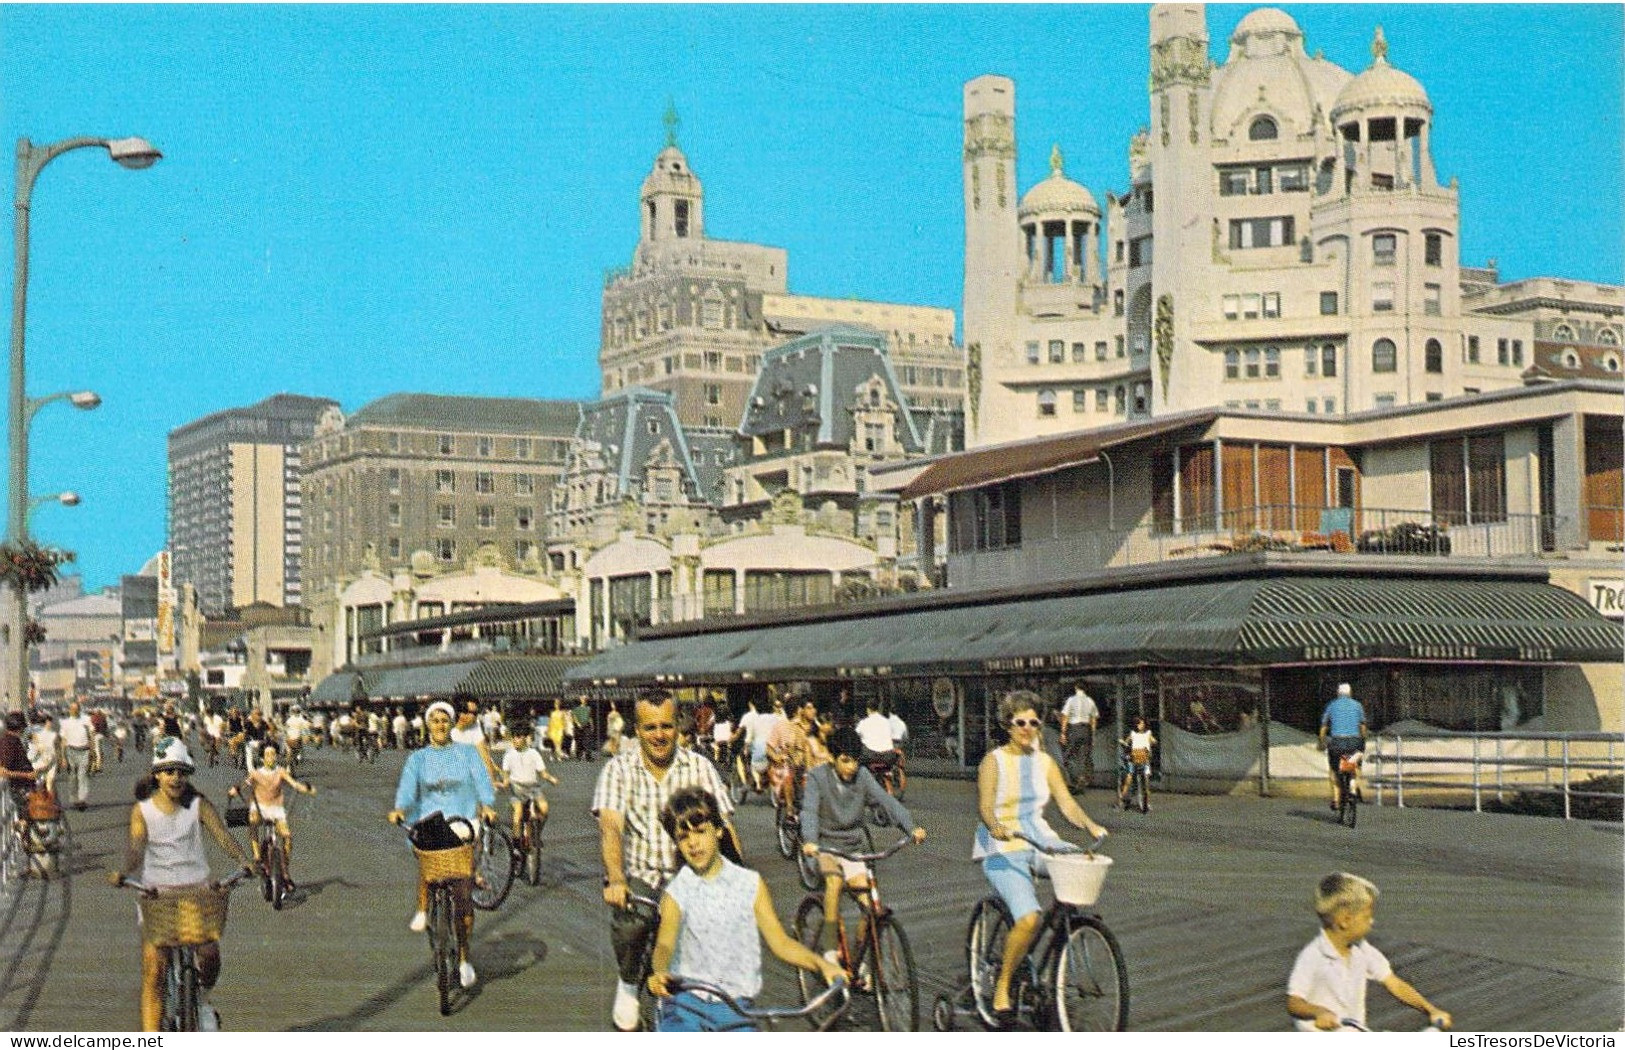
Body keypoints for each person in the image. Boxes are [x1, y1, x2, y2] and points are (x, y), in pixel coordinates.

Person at [593, 690, 740, 1032]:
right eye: (650, 727)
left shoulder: (699, 766)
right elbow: (611, 827)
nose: (659, 735)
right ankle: (629, 983)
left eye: (666, 726)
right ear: (637, 730)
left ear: (678, 727)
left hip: (691, 876)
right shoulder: (618, 769)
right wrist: (616, 878)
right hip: (643, 874)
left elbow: (725, 828)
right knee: (633, 921)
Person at [645, 786, 843, 1031]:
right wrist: (660, 972)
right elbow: (665, 944)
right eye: (683, 838)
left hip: (735, 1006)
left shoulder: (750, 883)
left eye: (700, 832)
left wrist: (821, 965)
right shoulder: (677, 890)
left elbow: (780, 942)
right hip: (686, 1004)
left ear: (718, 830)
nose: (693, 843)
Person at [975, 690, 1109, 1024]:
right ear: (1008, 724)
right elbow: (985, 807)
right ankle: (1004, 986)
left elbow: (1066, 803)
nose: (1027, 728)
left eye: (1034, 722)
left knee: (1080, 863)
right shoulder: (993, 761)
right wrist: (994, 826)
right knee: (1030, 918)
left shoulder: (1045, 762)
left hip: (1039, 836)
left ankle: (1061, 941)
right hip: (1003, 845)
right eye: (1020, 722)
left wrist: (1090, 825)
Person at [110, 738, 252, 1032]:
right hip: (156, 895)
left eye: (181, 772)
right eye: (168, 771)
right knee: (154, 971)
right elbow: (136, 848)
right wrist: (123, 871)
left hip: (197, 892)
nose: (175, 778)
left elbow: (222, 836)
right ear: (156, 775)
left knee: (210, 954)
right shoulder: (143, 810)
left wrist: (243, 859)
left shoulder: (198, 805)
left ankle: (201, 996)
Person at [387, 700, 497, 990]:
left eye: (444, 720)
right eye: (434, 720)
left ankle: (464, 958)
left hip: (462, 820)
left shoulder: (468, 754)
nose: (439, 725)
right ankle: (424, 907)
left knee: (462, 894)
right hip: (429, 819)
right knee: (426, 852)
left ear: (451, 724)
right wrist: (399, 808)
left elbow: (483, 782)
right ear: (427, 724)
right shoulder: (418, 758)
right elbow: (408, 788)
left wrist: (486, 806)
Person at [800, 727, 926, 958]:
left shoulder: (863, 776)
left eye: (855, 761)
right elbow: (808, 812)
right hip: (824, 848)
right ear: (832, 757)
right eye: (845, 761)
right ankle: (829, 949)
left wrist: (911, 827)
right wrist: (809, 841)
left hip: (854, 850)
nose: (851, 767)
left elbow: (887, 802)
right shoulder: (818, 778)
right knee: (834, 883)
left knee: (871, 907)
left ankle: (859, 959)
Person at [1286, 872, 1452, 1032]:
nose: (1371, 922)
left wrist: (1431, 1010)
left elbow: (1394, 983)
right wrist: (1319, 1012)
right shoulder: (1313, 955)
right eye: (1367, 916)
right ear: (1345, 920)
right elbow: (1294, 1001)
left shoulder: (1362, 950)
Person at [229, 743, 316, 888]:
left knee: (287, 836)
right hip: (260, 807)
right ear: (262, 758)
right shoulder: (256, 773)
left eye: (274, 754)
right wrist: (234, 790)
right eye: (268, 754)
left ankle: (285, 872)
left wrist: (306, 789)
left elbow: (294, 784)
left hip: (276, 809)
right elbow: (244, 784)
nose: (271, 757)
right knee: (253, 821)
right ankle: (257, 855)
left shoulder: (281, 771)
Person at [498, 726, 558, 842]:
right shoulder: (508, 755)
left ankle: (537, 833)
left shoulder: (534, 754)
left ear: (526, 738)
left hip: (533, 788)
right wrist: (505, 782)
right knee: (517, 815)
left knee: (544, 809)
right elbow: (505, 774)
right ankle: (515, 846)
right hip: (516, 788)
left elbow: (543, 773)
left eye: (518, 737)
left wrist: (551, 779)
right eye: (513, 737)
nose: (515, 740)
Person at [765, 686, 817, 812]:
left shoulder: (814, 726)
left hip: (808, 764)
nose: (812, 711)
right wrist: (778, 757)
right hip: (788, 766)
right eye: (807, 708)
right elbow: (769, 748)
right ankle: (789, 809)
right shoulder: (781, 726)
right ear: (799, 711)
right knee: (788, 773)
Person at [1319, 683, 1367, 811]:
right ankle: (1353, 789)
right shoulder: (1358, 705)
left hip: (1336, 743)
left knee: (1334, 771)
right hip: (1354, 743)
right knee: (1355, 767)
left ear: (1338, 693)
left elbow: (1324, 726)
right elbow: (1362, 726)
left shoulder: (1332, 705)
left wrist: (1321, 741)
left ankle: (1336, 800)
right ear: (1350, 693)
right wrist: (1363, 741)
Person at [1058, 683, 1100, 790]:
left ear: (1076, 688)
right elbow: (1094, 719)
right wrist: (1093, 735)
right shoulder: (1090, 701)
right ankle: (1082, 777)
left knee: (1068, 754)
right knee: (1084, 755)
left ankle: (1074, 779)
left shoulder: (1071, 700)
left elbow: (1065, 716)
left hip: (1074, 729)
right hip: (1086, 729)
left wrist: (1063, 733)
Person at [450, 695, 500, 782]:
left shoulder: (475, 725)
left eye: (477, 712)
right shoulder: (449, 731)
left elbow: (485, 757)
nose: (476, 716)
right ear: (461, 713)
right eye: (474, 713)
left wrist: (493, 782)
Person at [58, 700, 95, 811]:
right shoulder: (65, 722)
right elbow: (63, 740)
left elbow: (92, 734)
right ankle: (74, 799)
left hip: (84, 750)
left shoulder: (86, 719)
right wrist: (63, 757)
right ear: (69, 710)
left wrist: (93, 751)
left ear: (79, 709)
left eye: (76, 708)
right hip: (71, 751)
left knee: (82, 775)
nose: (75, 710)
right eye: (72, 709)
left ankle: (82, 799)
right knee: (72, 777)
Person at [1119, 717, 1157, 810]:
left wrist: (1152, 743)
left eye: (1142, 723)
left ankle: (1146, 803)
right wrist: (1123, 743)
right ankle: (1122, 799)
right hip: (1134, 759)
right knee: (1128, 779)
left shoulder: (1148, 733)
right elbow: (1126, 743)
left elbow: (1154, 741)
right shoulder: (1133, 734)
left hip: (1144, 759)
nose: (1141, 725)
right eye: (1139, 723)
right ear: (1136, 725)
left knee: (1146, 783)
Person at [1, 712, 37, 805]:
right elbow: (2, 771)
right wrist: (26, 775)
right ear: (19, 728)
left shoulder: (13, 740)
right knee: (24, 815)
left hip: (23, 787)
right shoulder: (8, 743)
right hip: (19, 789)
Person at [855, 699, 899, 776]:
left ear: (868, 709)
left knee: (857, 765)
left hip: (870, 756)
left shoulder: (863, 723)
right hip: (888, 756)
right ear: (878, 708)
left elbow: (855, 736)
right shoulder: (887, 722)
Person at [28, 713, 60, 799]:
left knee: (38, 784)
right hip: (50, 760)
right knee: (50, 784)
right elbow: (57, 749)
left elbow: (33, 749)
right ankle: (52, 802)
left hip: (37, 761)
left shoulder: (31, 732)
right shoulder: (53, 734)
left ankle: (40, 803)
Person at [571, 695, 594, 760]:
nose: (583, 700)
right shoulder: (576, 708)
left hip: (586, 726)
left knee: (587, 741)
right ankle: (579, 756)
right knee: (579, 741)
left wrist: (592, 726)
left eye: (585, 699)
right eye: (582, 699)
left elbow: (590, 717)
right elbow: (574, 717)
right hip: (578, 727)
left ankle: (588, 756)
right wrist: (578, 724)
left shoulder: (588, 708)